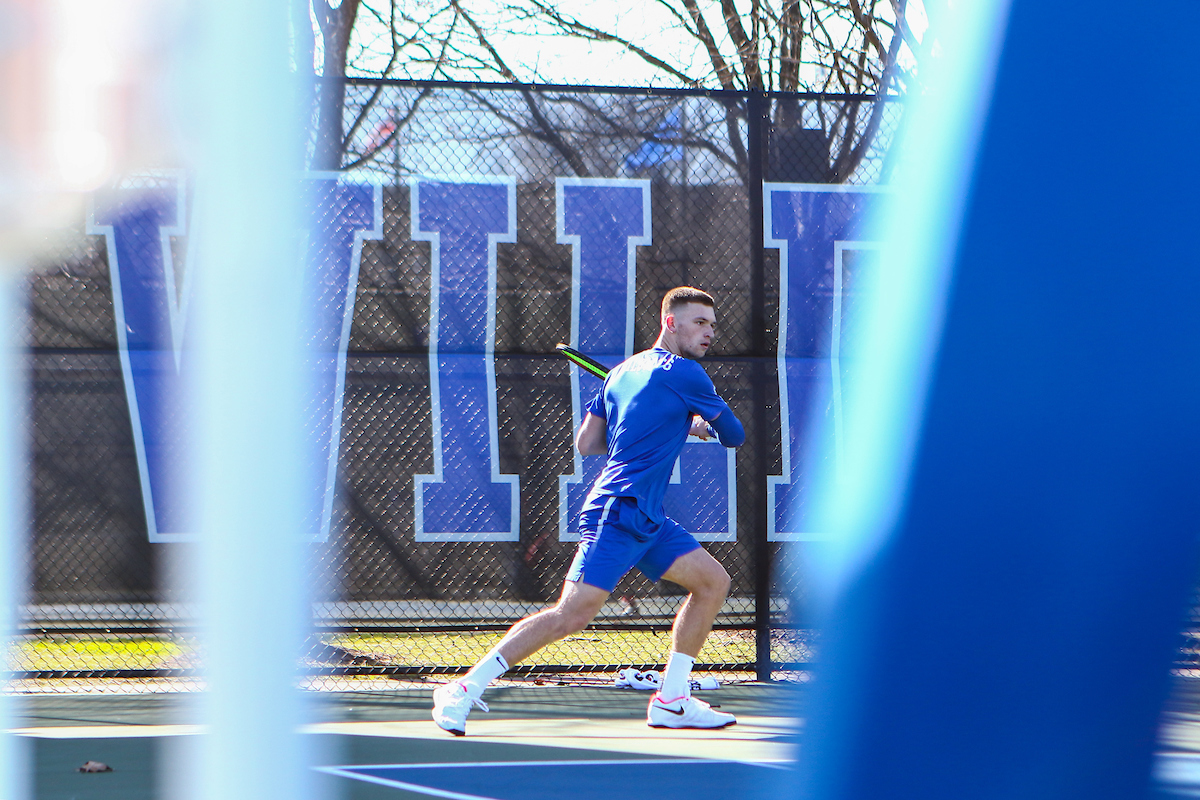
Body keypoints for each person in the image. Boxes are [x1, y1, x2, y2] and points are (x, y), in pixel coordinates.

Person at [432, 286, 745, 735]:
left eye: (712, 324)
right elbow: (734, 435)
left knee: (712, 582)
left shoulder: (620, 373)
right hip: (617, 511)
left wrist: (664, 424)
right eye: (699, 323)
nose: (709, 332)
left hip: (646, 516)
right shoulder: (687, 373)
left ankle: (673, 700)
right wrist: (696, 424)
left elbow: (588, 442)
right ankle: (463, 688)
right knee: (572, 615)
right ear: (670, 322)